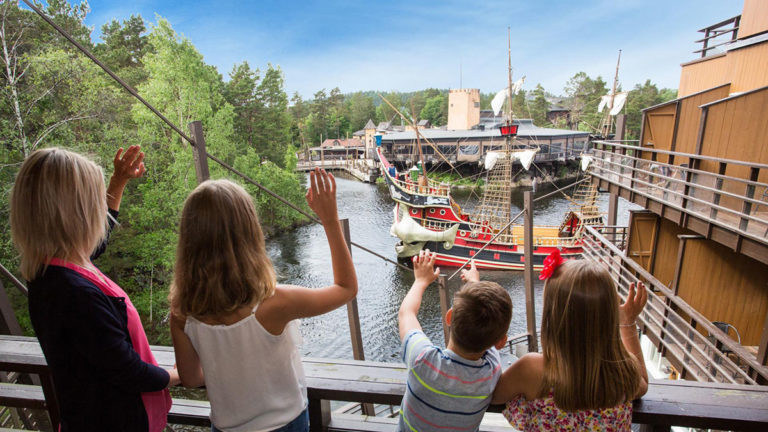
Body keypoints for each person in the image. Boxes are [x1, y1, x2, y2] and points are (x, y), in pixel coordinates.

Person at [169, 168, 357, 432]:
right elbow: (346, 288)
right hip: (285, 424)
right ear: (249, 234)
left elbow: (190, 378)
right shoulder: (275, 303)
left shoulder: (182, 312)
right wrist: (329, 219)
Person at [10, 146, 179, 432]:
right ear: (75, 214)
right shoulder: (76, 294)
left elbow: (96, 242)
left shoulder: (51, 269)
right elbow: (129, 371)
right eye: (93, 203)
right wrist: (181, 374)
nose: (99, 213)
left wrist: (119, 181)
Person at [492, 251, 649, 431]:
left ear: (553, 315)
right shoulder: (622, 370)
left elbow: (494, 395)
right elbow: (643, 384)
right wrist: (628, 322)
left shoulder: (532, 369)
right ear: (608, 315)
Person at [398, 254, 512, 432]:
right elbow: (485, 318)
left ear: (449, 317)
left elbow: (407, 313)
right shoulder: (491, 372)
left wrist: (420, 281)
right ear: (500, 342)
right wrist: (474, 283)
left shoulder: (423, 360)